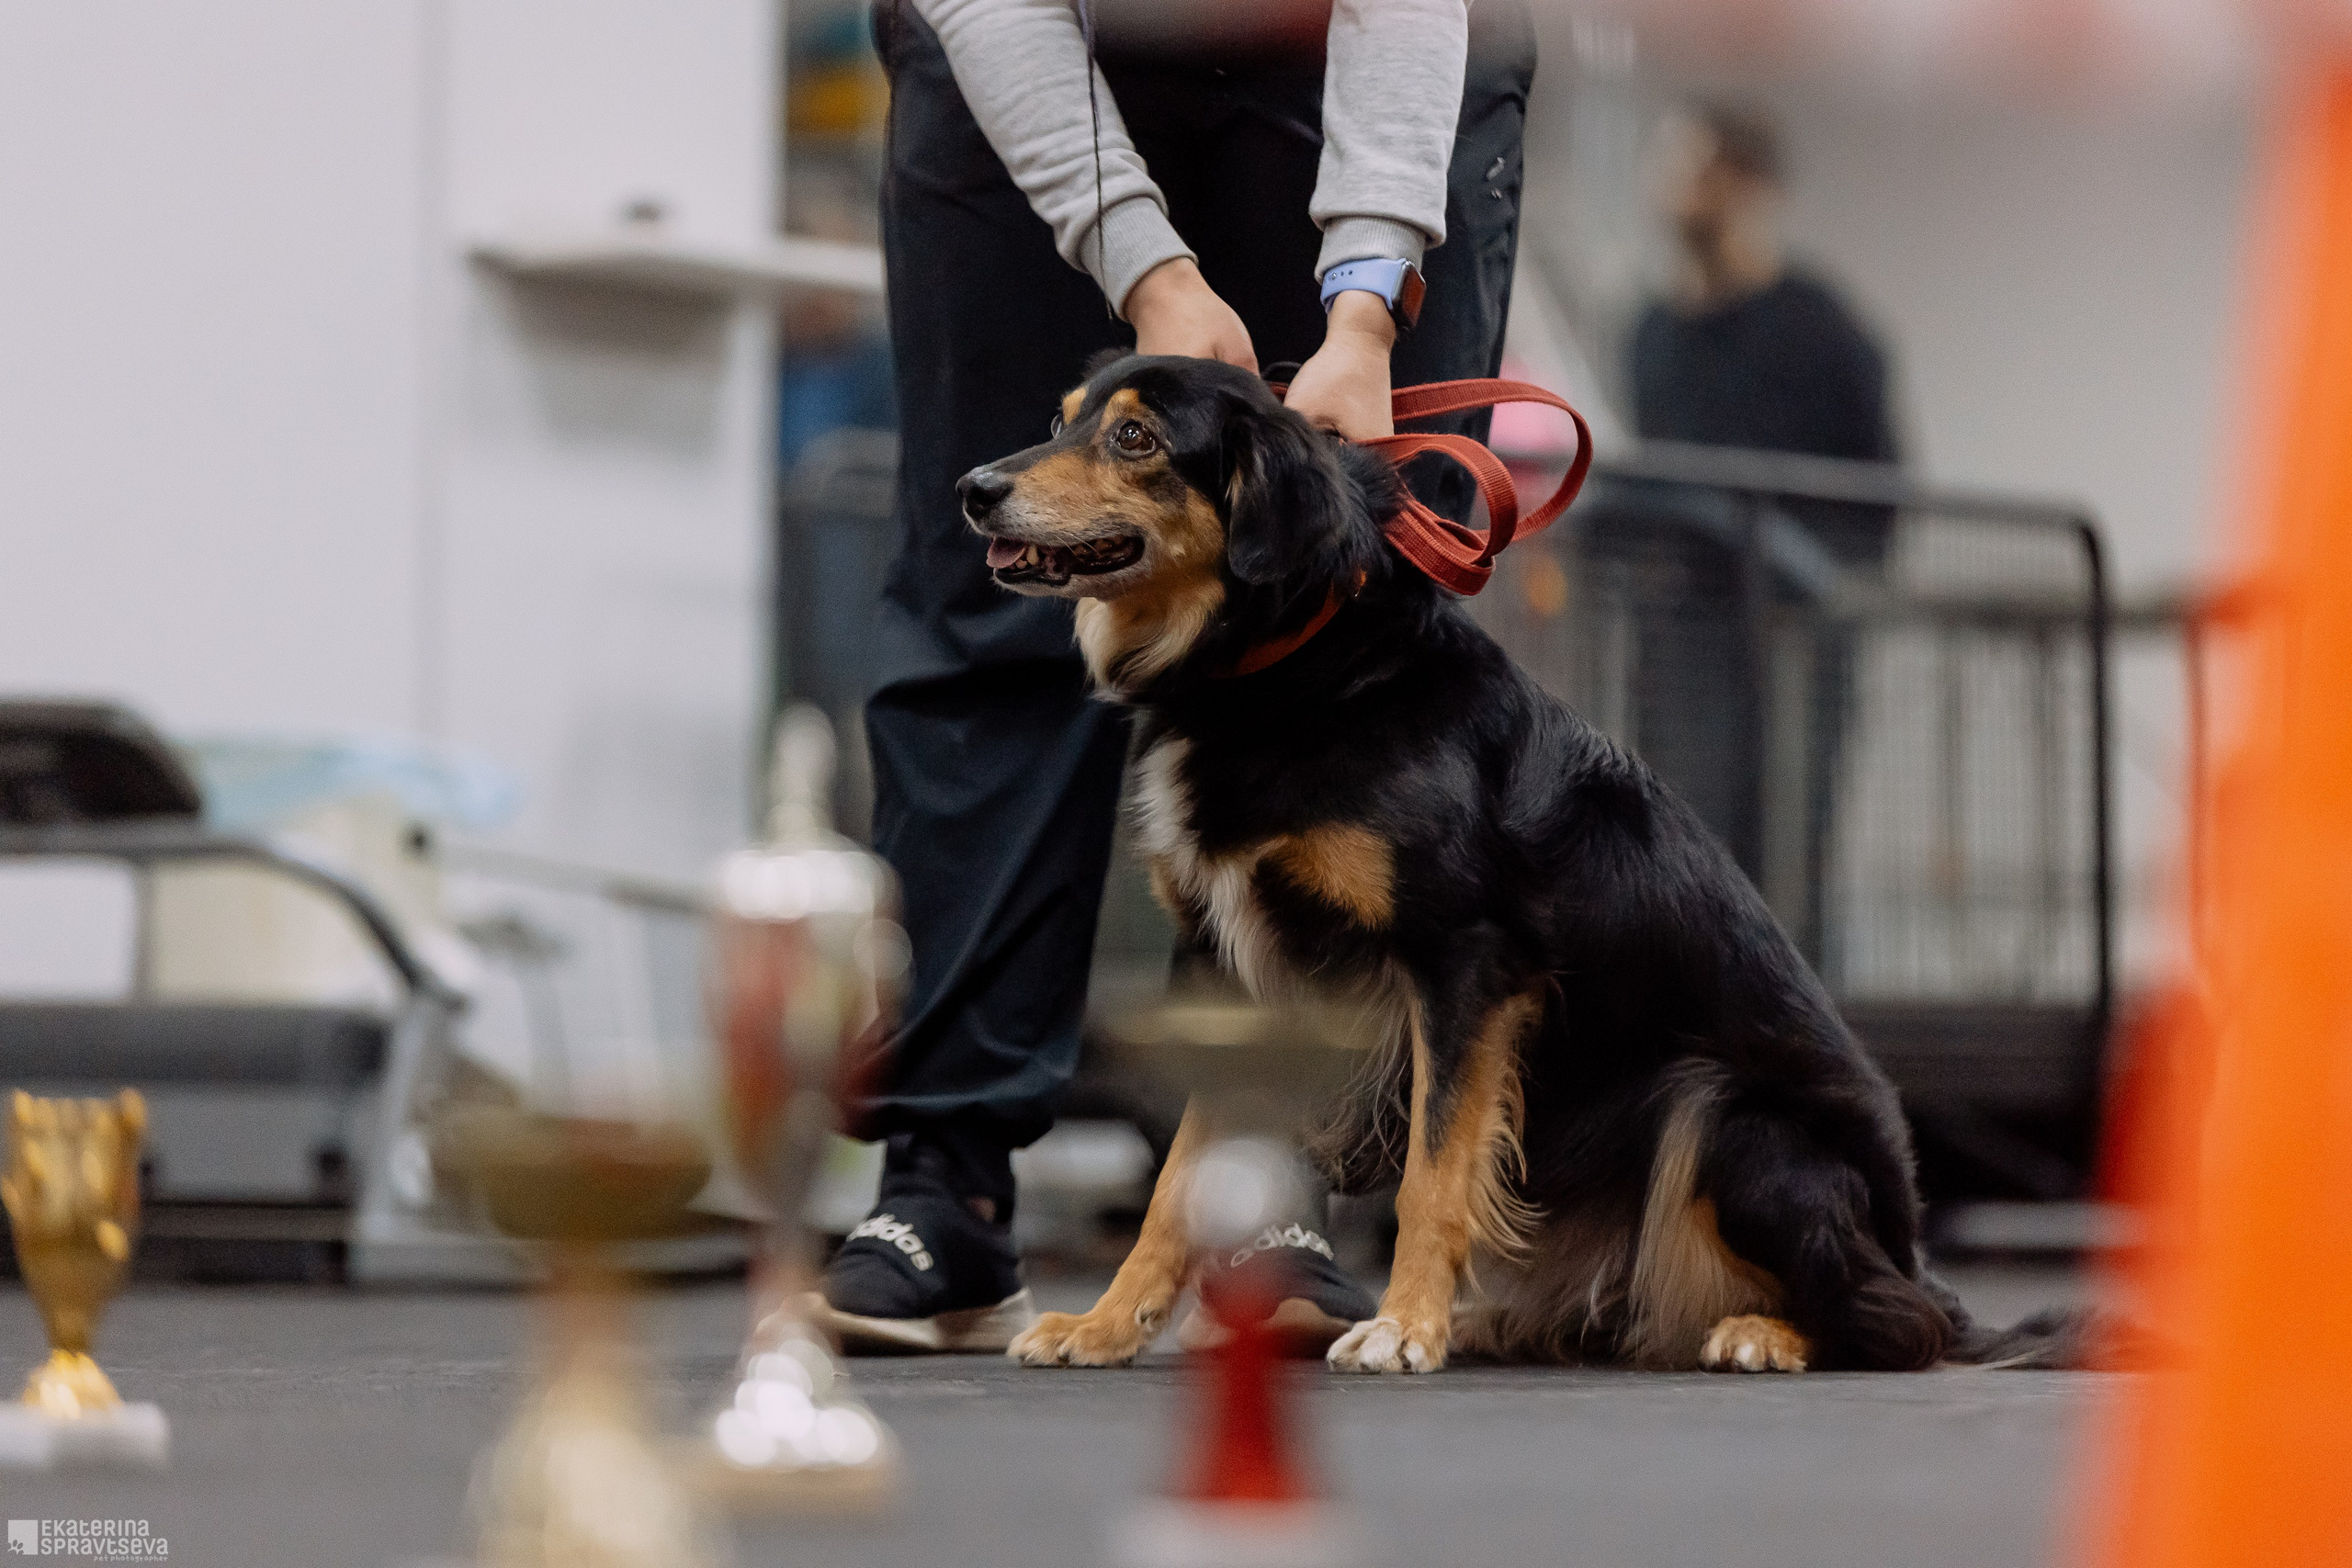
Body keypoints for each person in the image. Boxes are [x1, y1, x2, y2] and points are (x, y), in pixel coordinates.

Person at [812, 0, 1536, 1353]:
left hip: (1357, 53)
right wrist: (1147, 274)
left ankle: (1274, 1185)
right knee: (993, 598)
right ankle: (947, 1184)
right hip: (1027, 50)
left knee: (1356, 620)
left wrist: (1368, 306)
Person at [1606, 98, 1897, 965]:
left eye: (1697, 170)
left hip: (1793, 639)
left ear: (1750, 187)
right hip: (1684, 643)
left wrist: (1817, 584)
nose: (1674, 192)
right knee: (1683, 833)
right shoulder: (1649, 335)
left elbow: (1878, 491)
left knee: (1787, 840)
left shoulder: (1820, 328)